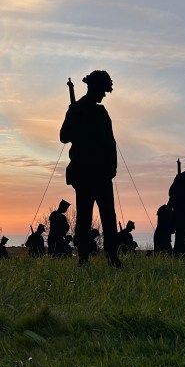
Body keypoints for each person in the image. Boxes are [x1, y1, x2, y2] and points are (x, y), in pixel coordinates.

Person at [59, 70, 121, 267]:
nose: (104, 95)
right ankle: (83, 258)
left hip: (102, 173)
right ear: (93, 88)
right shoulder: (76, 110)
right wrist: (74, 118)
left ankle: (112, 257)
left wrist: (112, 168)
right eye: (102, 90)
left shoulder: (101, 112)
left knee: (109, 218)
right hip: (85, 173)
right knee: (84, 218)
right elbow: (64, 136)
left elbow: (110, 143)